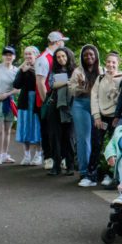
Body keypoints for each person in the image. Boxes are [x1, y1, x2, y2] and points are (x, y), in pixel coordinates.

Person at [69, 44, 103, 186]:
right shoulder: (77, 71)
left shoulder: (102, 71)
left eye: (91, 54)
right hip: (81, 104)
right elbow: (72, 90)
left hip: (98, 106)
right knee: (83, 138)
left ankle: (94, 170)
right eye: (85, 55)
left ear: (96, 56)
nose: (89, 57)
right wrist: (82, 85)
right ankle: (84, 172)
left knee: (97, 138)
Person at [91, 51, 122, 187]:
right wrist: (97, 116)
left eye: (113, 62)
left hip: (116, 117)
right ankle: (92, 174)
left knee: (114, 146)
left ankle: (111, 174)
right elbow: (94, 97)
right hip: (102, 117)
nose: (111, 64)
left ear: (118, 63)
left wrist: (118, 116)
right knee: (96, 145)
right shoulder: (100, 78)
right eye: (108, 62)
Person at [36, 31, 69, 165]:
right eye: (62, 41)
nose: (63, 44)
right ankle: (48, 157)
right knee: (47, 130)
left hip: (57, 100)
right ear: (56, 42)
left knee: (57, 130)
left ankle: (59, 157)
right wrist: (47, 102)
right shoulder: (44, 58)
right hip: (46, 101)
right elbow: (40, 82)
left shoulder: (56, 57)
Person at [47, 46, 77, 176]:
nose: (61, 59)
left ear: (68, 56)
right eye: (58, 57)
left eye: (63, 56)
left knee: (69, 137)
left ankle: (70, 165)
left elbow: (79, 85)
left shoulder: (75, 71)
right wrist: (67, 81)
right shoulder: (54, 71)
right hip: (55, 107)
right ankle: (56, 165)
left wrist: (65, 82)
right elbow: (52, 84)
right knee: (55, 137)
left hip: (71, 107)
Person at [13, 46, 42, 165]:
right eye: (26, 54)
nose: (28, 56)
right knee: (25, 128)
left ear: (36, 55)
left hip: (37, 102)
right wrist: (22, 72)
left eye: (30, 54)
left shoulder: (40, 68)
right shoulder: (22, 69)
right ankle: (26, 155)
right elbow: (16, 85)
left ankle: (38, 155)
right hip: (25, 102)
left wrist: (32, 71)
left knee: (37, 127)